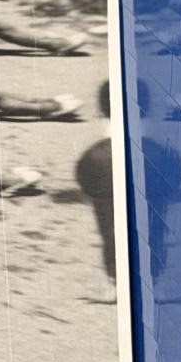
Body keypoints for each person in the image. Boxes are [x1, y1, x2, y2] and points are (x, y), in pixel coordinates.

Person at [76, 83, 117, 303]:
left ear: (101, 111)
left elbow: (84, 177)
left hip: (103, 163)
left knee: (109, 227)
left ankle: (115, 282)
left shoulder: (96, 155)